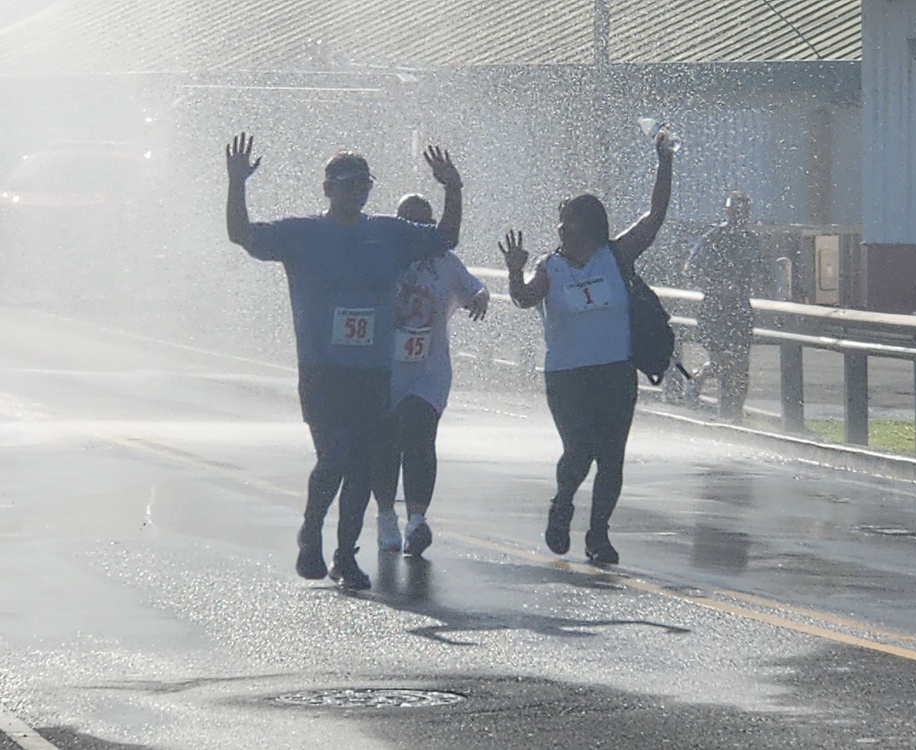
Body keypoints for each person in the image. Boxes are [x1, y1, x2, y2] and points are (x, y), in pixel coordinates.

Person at [224, 132, 463, 589]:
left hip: (372, 373)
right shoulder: (304, 234)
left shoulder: (387, 234)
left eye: (365, 183)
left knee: (362, 467)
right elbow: (242, 235)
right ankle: (311, 532)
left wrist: (452, 188)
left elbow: (445, 238)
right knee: (333, 457)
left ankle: (345, 555)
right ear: (327, 188)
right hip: (322, 370)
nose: (358, 191)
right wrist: (237, 183)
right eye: (348, 182)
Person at [498, 130, 674, 565]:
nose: (561, 226)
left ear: (590, 227)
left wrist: (665, 162)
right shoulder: (550, 267)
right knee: (579, 451)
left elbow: (655, 215)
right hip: (567, 376)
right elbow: (524, 298)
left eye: (569, 219)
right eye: (560, 220)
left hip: (614, 372)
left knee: (612, 457)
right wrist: (514, 274)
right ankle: (562, 505)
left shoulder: (615, 255)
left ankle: (599, 535)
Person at [372, 194, 489, 557]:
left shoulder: (445, 263)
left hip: (428, 369)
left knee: (421, 436)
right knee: (387, 442)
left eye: (425, 223)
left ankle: (418, 519)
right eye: (409, 221)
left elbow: (474, 288)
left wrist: (481, 297)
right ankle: (386, 515)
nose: (418, 230)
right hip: (385, 367)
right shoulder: (381, 257)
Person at [683, 191, 767, 423]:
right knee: (723, 364)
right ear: (726, 212)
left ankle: (735, 415)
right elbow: (690, 269)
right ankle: (701, 376)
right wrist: (715, 286)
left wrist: (757, 286)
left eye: (744, 212)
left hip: (740, 309)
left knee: (741, 365)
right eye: (735, 211)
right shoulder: (714, 238)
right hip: (714, 309)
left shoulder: (750, 241)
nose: (739, 216)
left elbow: (761, 273)